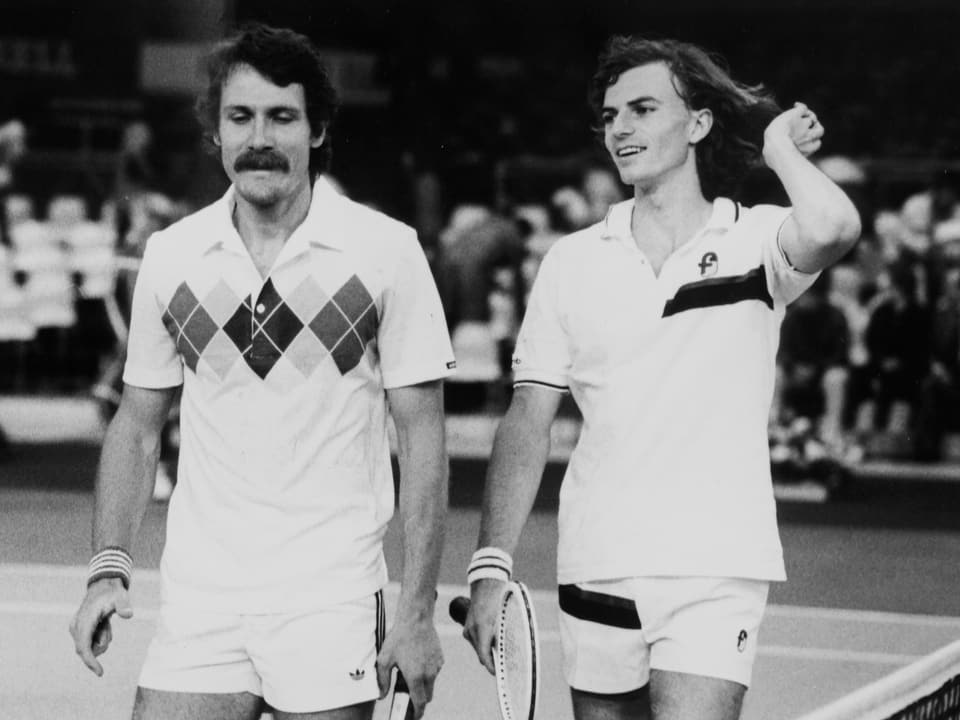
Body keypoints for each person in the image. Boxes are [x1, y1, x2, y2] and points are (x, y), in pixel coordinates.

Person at [461, 36, 860, 720]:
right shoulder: (572, 261)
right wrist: (491, 561)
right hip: (599, 558)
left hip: (717, 563)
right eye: (611, 116)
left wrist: (781, 153)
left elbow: (834, 225)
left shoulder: (755, 242)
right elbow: (528, 416)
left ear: (698, 124)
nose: (620, 129)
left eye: (642, 109)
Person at [70, 23, 454, 720]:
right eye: (239, 117)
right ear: (215, 132)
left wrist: (417, 610)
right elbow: (136, 425)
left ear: (317, 130)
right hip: (201, 598)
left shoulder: (386, 251)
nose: (259, 138)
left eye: (282, 116)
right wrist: (108, 566)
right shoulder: (172, 255)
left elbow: (423, 438)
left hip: (330, 596)